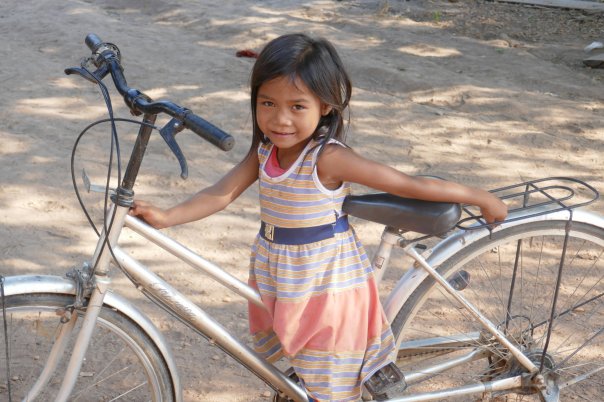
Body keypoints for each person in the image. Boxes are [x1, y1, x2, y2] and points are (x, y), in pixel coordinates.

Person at [130, 33, 508, 402]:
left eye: (297, 106)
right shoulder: (265, 151)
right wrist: (167, 216)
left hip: (326, 284)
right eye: (267, 103)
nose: (280, 119)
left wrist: (479, 196)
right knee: (302, 372)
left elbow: (406, 184)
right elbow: (221, 192)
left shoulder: (326, 158)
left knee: (329, 381)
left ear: (325, 106)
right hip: (282, 275)